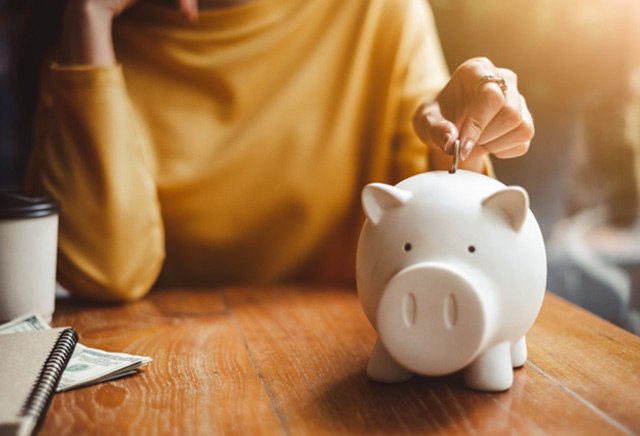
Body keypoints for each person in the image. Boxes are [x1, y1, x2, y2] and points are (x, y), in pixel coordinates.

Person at [16, 0, 534, 302]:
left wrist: (463, 139)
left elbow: (438, 230)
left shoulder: (376, 12)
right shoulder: (90, 48)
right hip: (165, 368)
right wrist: (86, 15)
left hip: (344, 355)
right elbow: (105, 272)